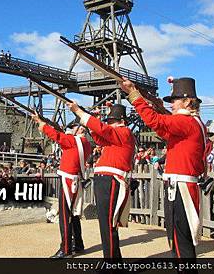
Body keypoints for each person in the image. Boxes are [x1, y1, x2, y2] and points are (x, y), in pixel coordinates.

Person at [121, 76, 206, 261]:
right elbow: (163, 131)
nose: (172, 105)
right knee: (177, 241)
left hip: (180, 187)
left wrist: (134, 95)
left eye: (175, 100)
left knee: (181, 243)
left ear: (187, 101)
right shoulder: (192, 123)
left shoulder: (186, 122)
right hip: (180, 186)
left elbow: (155, 122)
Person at [68, 101, 135, 259]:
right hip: (106, 179)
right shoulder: (117, 135)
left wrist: (80, 112)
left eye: (112, 121)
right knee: (106, 224)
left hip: (111, 180)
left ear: (122, 122)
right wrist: (93, 120)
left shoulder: (124, 132)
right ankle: (114, 262)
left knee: (108, 225)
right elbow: (99, 137)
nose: (109, 124)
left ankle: (111, 264)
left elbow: (103, 130)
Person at [33, 115, 92, 258]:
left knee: (65, 216)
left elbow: (56, 135)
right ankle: (78, 244)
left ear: (78, 129)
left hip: (68, 180)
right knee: (74, 214)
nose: (70, 130)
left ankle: (65, 249)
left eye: (72, 128)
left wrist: (41, 122)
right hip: (75, 179)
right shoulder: (86, 144)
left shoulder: (72, 141)